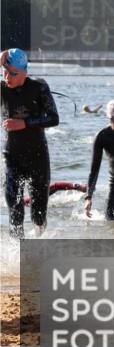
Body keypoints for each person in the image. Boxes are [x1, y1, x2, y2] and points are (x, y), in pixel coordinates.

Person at [2, 48, 59, 238]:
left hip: (38, 157)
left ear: (25, 71)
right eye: (4, 71)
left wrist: (23, 123)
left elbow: (53, 118)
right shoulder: (2, 89)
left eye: (13, 73)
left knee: (38, 214)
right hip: (13, 157)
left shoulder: (39, 87)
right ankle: (17, 254)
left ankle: (39, 244)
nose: (8, 77)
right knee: (15, 211)